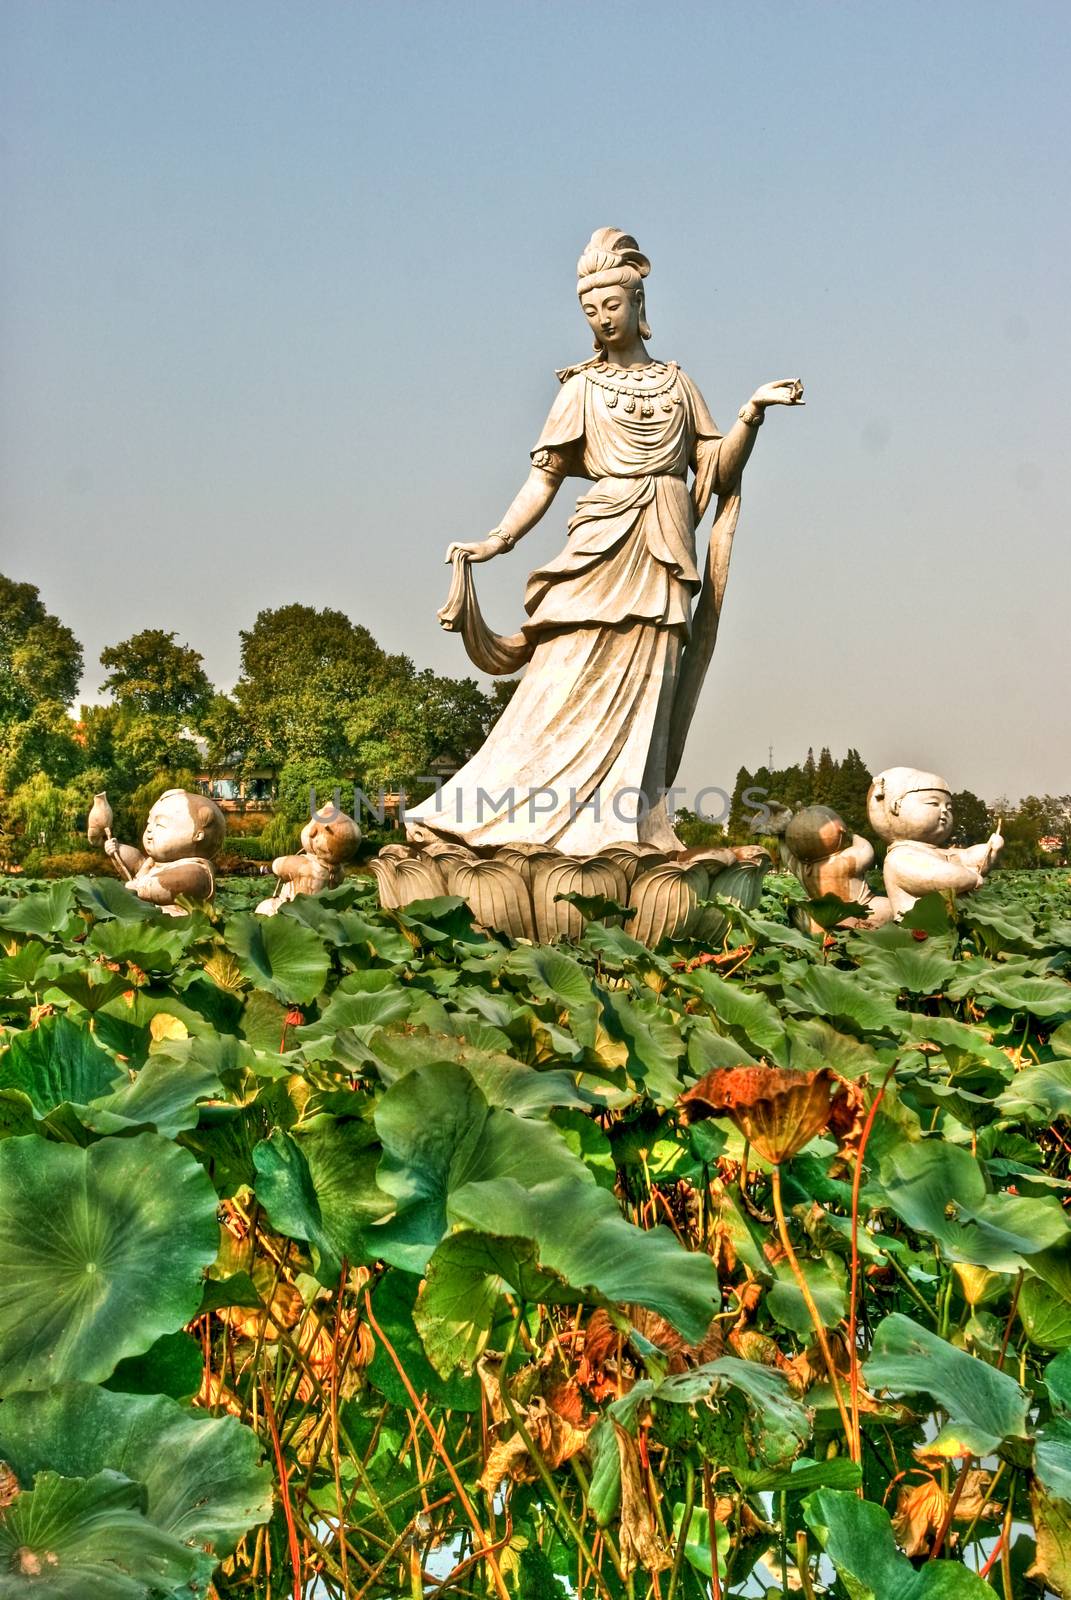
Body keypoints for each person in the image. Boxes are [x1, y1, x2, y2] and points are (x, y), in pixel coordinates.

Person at [406, 228, 803, 853]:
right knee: (559, 681)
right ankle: (505, 813)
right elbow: (543, 480)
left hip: (664, 548)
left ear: (640, 305)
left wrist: (751, 413)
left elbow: (717, 469)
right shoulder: (580, 389)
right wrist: (498, 540)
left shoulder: (678, 384)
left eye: (612, 305)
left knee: (649, 692)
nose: (602, 319)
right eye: (590, 310)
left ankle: (625, 827)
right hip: (600, 543)